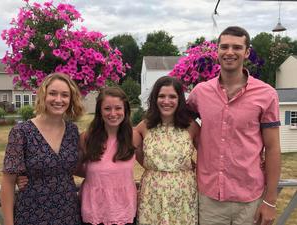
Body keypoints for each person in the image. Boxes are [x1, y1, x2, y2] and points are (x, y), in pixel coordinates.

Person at [187, 26, 281, 225]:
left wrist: (270, 201)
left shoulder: (266, 94)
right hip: (210, 199)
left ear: (247, 52)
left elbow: (272, 148)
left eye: (237, 47)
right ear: (217, 51)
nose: (230, 52)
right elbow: (178, 122)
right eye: (225, 47)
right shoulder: (200, 93)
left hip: (249, 199)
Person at [1, 72, 85, 225]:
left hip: (68, 214)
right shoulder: (22, 132)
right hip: (32, 214)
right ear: (43, 96)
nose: (58, 100)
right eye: (53, 93)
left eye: (65, 95)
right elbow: (8, 182)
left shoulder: (73, 131)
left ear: (71, 99)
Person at [134, 76, 199, 225]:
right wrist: (151, 166)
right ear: (155, 99)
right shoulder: (145, 126)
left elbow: (206, 154)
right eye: (161, 96)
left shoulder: (191, 126)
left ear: (180, 99)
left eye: (172, 96)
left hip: (184, 194)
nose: (166, 101)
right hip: (152, 193)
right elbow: (131, 148)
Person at [79, 87, 137, 225]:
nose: (113, 113)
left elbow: (150, 163)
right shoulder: (86, 138)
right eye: (107, 108)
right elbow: (70, 166)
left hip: (124, 211)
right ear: (100, 111)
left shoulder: (134, 137)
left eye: (118, 108)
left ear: (125, 110)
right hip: (94, 211)